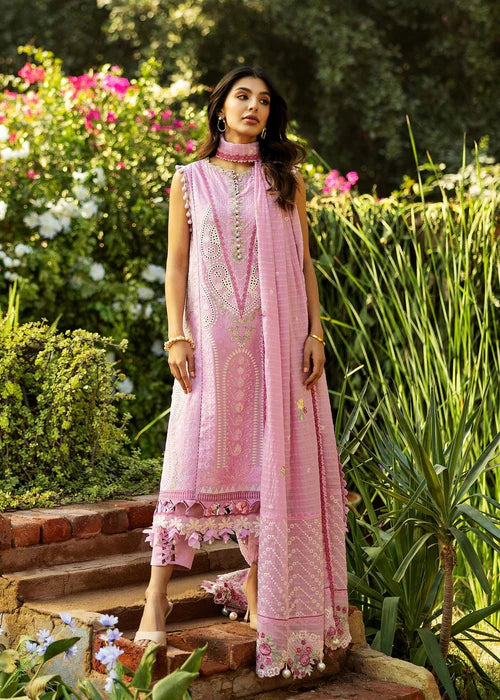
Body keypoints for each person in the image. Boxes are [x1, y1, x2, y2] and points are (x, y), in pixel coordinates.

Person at [134, 65, 351, 679]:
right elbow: (177, 264)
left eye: (264, 100)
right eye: (242, 96)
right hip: (208, 346)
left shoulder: (285, 180)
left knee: (270, 467)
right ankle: (156, 596)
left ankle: (261, 585)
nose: (254, 107)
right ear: (221, 107)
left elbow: (304, 264)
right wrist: (176, 334)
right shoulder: (189, 179)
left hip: (274, 349)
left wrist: (314, 333)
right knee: (191, 458)